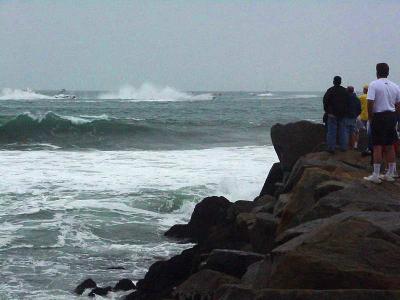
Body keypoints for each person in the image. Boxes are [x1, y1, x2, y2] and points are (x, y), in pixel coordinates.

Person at [364, 63, 400, 183]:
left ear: (377, 72)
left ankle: (376, 174)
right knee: (390, 145)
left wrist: (370, 117)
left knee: (377, 145)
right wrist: (396, 116)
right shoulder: (395, 86)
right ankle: (390, 173)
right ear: (388, 72)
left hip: (379, 116)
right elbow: (398, 104)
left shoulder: (374, 84)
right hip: (391, 116)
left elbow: (370, 102)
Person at [323, 76, 349, 153]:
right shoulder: (345, 91)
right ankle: (343, 147)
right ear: (340, 82)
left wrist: (328, 111)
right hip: (343, 114)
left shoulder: (330, 90)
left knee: (331, 131)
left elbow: (325, 101)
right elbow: (348, 102)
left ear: (334, 82)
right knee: (343, 130)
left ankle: (331, 148)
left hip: (332, 114)